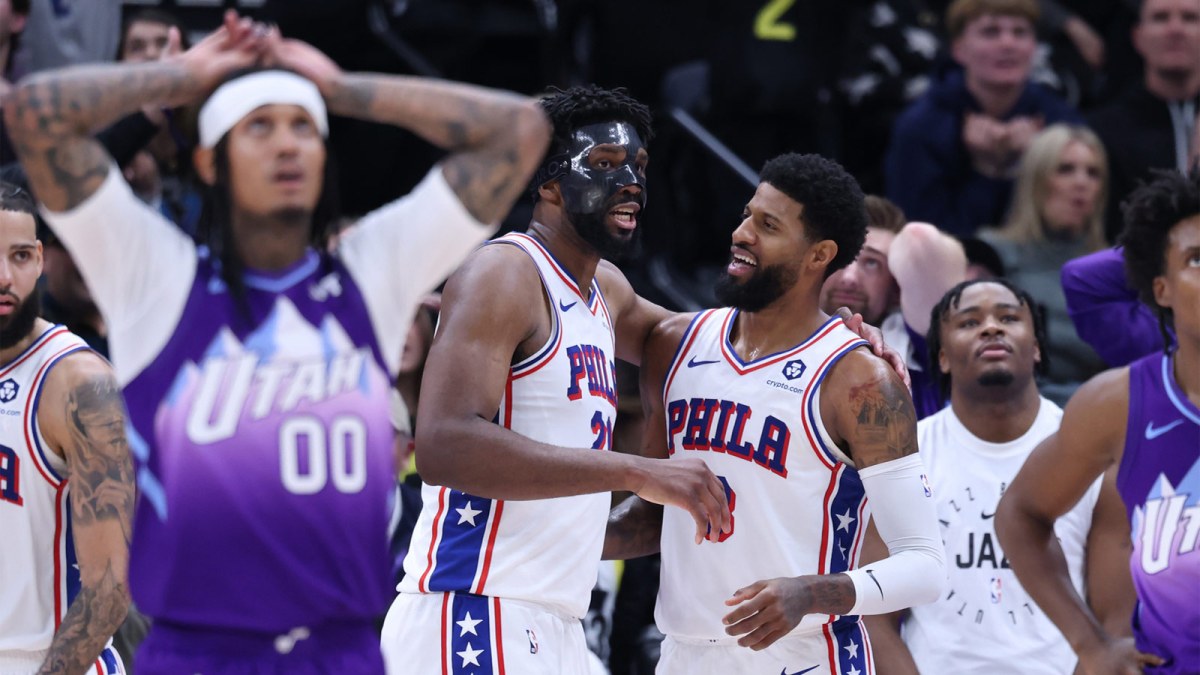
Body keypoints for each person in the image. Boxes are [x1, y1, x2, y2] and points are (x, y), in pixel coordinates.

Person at [4, 12, 551, 672]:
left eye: (304, 128)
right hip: (198, 650)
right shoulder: (156, 277)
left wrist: (343, 88)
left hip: (338, 648)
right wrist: (182, 76)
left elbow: (520, 131)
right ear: (209, 160)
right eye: (259, 127)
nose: (287, 145)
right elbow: (34, 114)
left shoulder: (371, 274)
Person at [382, 84, 733, 675]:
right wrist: (638, 470)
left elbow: (706, 343)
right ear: (548, 183)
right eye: (603, 165)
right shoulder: (505, 273)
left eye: (638, 167)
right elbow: (443, 445)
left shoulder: (607, 293)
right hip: (474, 616)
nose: (631, 183)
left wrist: (828, 338)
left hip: (557, 625)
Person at [603, 153, 945, 674]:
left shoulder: (860, 382)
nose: (741, 233)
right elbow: (652, 515)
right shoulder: (675, 344)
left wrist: (810, 594)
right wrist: (556, 537)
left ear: (818, 255)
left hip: (804, 657)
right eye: (746, 215)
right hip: (685, 654)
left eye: (767, 225)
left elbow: (925, 566)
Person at [863, 278, 1134, 674]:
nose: (992, 328)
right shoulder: (905, 454)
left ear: (1037, 347)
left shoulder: (1091, 455)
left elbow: (1115, 623)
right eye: (969, 322)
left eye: (1009, 318)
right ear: (941, 356)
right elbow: (875, 615)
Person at [996, 167, 1200, 674]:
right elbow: (1020, 514)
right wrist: (1091, 643)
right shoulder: (1118, 403)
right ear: (1162, 290)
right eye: (1198, 260)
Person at [0, 182, 134, 674]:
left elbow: (110, 591)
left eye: (18, 256)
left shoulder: (80, 385)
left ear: (39, 259)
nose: (4, 277)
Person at [885, 0, 1083, 238]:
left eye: (1020, 32)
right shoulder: (920, 126)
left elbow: (1075, 228)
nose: (1008, 44)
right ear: (959, 49)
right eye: (991, 32)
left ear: (1034, 46)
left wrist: (1036, 159)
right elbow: (918, 233)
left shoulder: (1060, 122)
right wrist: (986, 173)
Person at [977, 124, 1109, 404]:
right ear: (1036, 180)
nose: (1081, 183)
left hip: (1100, 416)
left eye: (1093, 173)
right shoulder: (991, 254)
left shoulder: (1115, 269)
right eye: (1065, 169)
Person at [1088, 0, 1199, 242]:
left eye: (1190, 18)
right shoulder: (1102, 130)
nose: (1175, 29)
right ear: (1138, 37)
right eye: (1161, 18)